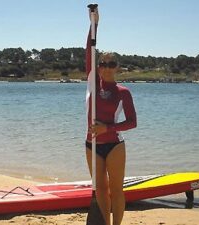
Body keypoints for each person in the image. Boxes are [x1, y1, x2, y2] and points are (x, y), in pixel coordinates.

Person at [85, 8, 137, 225]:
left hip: (114, 145)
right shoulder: (91, 83)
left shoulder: (123, 92)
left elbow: (132, 123)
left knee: (116, 190)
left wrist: (107, 129)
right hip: (92, 144)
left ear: (118, 68)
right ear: (98, 67)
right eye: (102, 64)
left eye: (111, 64)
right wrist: (94, 24)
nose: (106, 67)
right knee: (100, 190)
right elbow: (89, 50)